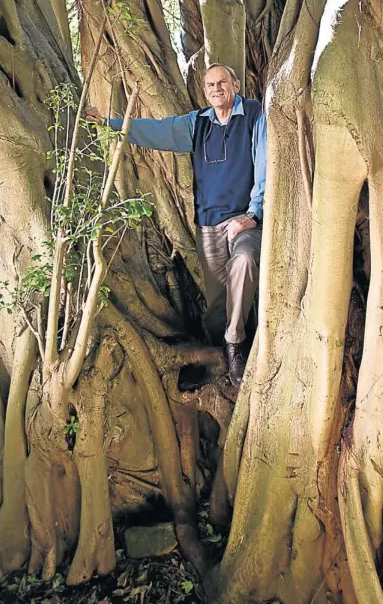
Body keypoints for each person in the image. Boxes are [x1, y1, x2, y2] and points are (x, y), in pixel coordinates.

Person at [85, 64, 266, 388]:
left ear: (235, 84)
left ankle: (237, 344)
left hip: (243, 222)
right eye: (210, 84)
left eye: (222, 82)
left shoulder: (252, 115)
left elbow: (265, 162)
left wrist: (253, 213)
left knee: (245, 261)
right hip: (208, 225)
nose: (216, 88)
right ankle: (223, 354)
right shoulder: (196, 124)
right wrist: (109, 123)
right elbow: (157, 130)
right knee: (217, 303)